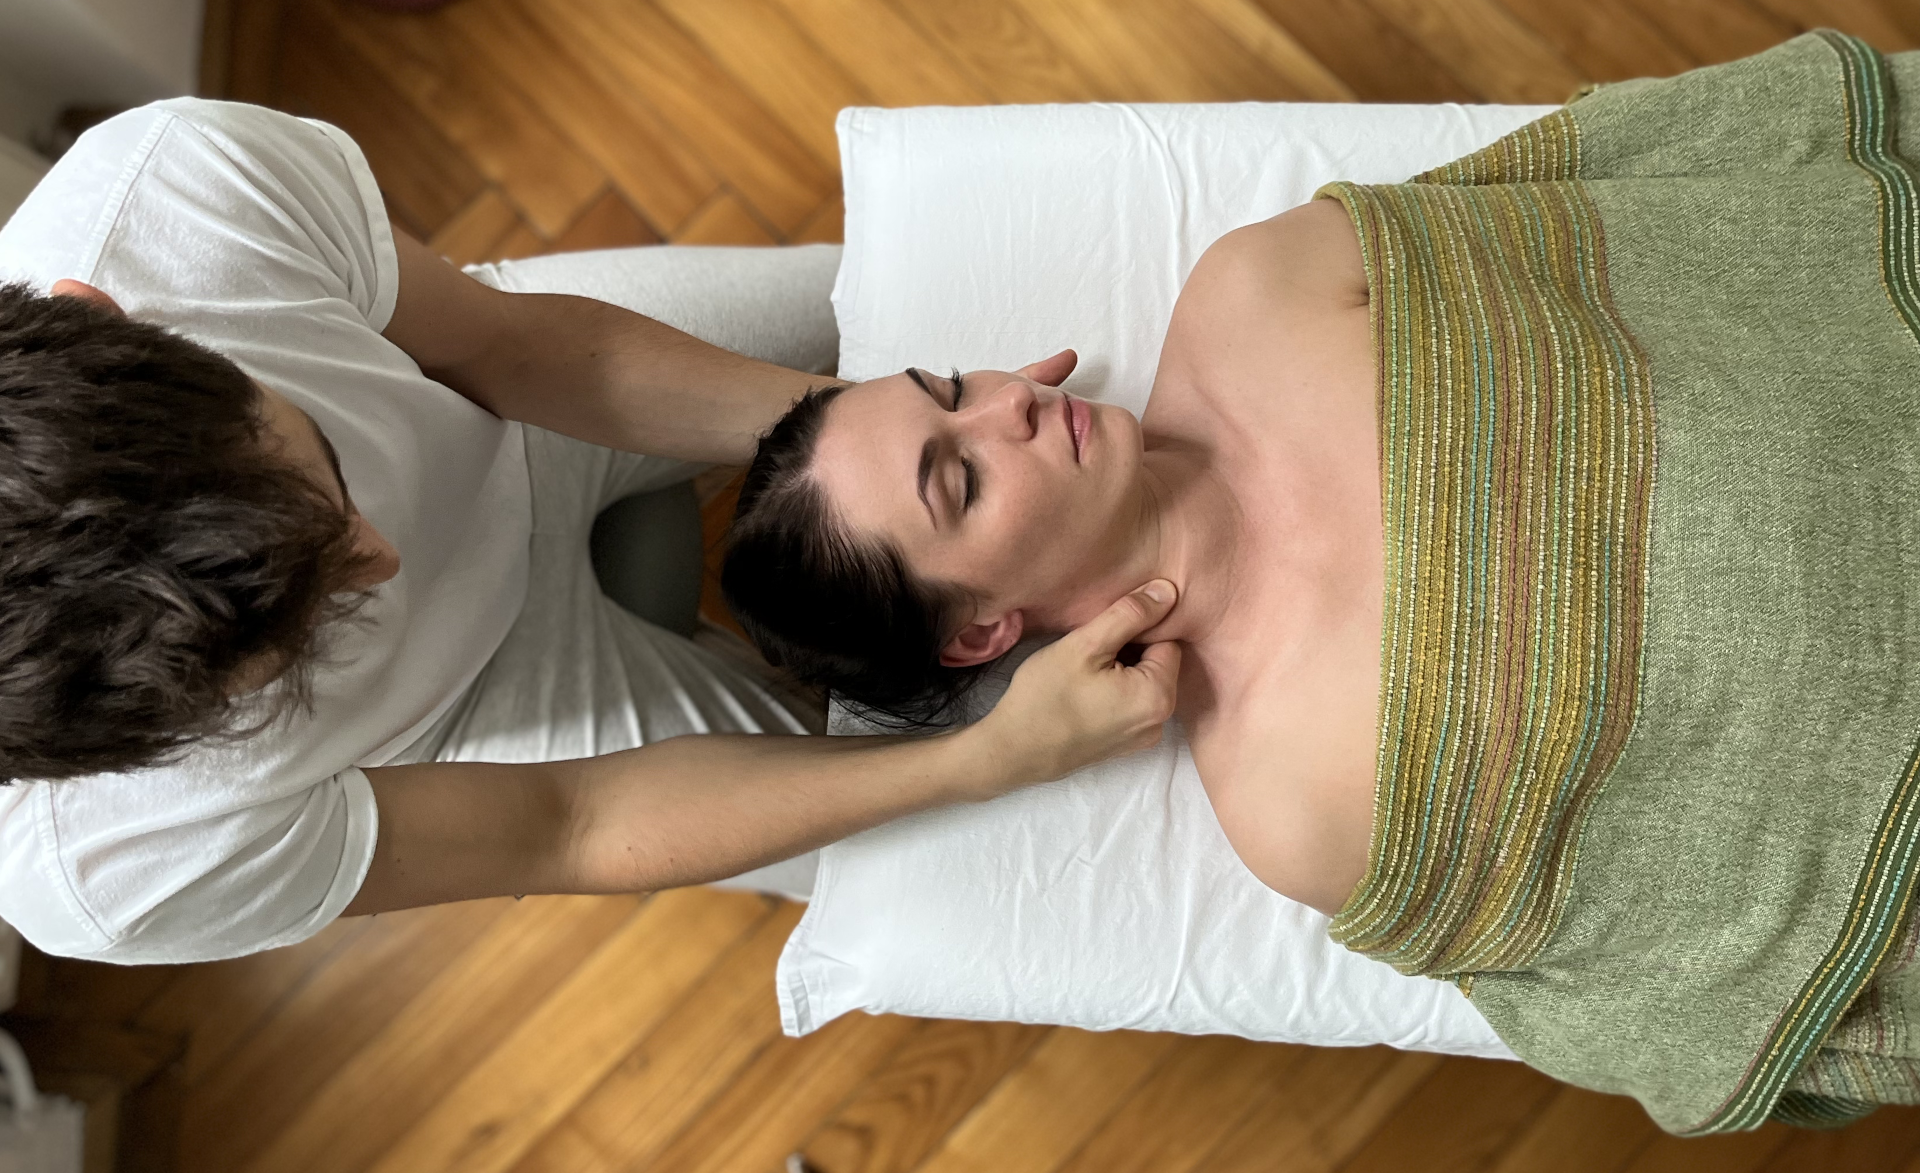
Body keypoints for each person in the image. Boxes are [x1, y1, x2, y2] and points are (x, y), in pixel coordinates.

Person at [722, 34, 1920, 1134]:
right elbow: (1674, 902)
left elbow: (1636, 239)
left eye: (952, 390)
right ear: (983, 632)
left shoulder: (1254, 291)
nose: (1010, 406)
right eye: (962, 478)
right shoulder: (1287, 801)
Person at [0, 97, 1181, 966]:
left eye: (331, 477)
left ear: (107, 313)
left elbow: (509, 346)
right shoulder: (112, 868)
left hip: (509, 396)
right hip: (478, 724)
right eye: (304, 627)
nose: (382, 560)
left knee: (925, 294)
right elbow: (566, 826)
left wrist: (929, 437)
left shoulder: (180, 200)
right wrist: (982, 761)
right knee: (999, 842)